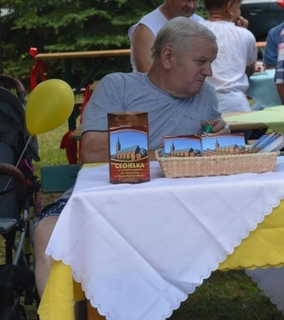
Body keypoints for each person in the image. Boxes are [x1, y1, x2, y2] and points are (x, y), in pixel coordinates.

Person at [33, 18, 227, 299]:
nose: (208, 71)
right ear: (168, 57)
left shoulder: (205, 94)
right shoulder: (119, 87)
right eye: (201, 61)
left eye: (211, 62)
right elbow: (93, 153)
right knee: (47, 234)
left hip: (174, 210)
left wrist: (218, 138)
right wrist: (181, 152)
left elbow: (213, 150)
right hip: (102, 201)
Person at [128, 0, 206, 72]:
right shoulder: (147, 28)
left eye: (195, 0)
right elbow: (148, 74)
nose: (190, 5)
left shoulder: (200, 24)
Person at [201, 0, 258, 113]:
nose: (239, 12)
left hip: (200, 106)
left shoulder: (194, 31)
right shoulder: (245, 35)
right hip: (236, 106)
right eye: (238, 7)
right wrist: (243, 31)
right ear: (229, 7)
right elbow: (249, 68)